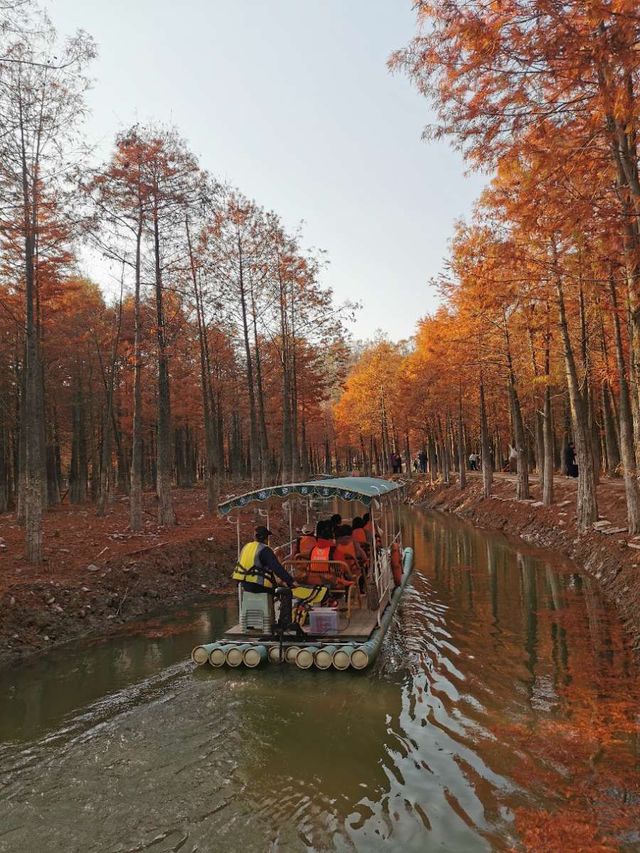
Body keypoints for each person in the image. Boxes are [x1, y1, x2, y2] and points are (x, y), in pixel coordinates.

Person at [232, 526, 295, 594]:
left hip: (244, 583)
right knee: (286, 592)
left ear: (255, 537)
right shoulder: (264, 549)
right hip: (258, 585)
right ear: (265, 538)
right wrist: (291, 581)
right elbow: (276, 567)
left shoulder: (246, 546)